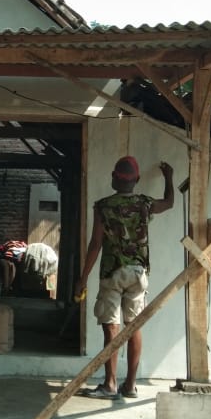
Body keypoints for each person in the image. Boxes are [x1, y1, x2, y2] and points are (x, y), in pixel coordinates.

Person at [75, 156, 174, 400]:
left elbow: (96, 244)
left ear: (113, 178)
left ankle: (110, 384)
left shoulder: (103, 206)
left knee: (111, 327)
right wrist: (169, 177)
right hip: (139, 273)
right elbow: (169, 203)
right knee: (134, 326)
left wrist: (83, 278)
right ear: (137, 180)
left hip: (113, 272)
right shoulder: (145, 204)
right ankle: (130, 385)